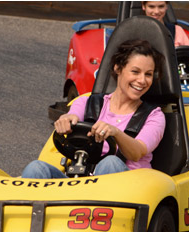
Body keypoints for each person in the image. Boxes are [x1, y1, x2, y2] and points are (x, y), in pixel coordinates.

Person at [22, 39, 166, 179]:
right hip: (82, 180)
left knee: (110, 164)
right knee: (36, 168)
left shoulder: (154, 116)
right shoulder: (88, 102)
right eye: (135, 72)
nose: (142, 80)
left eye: (148, 74)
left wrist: (115, 133)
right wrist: (65, 120)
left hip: (129, 189)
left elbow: (137, 152)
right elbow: (73, 115)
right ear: (118, 68)